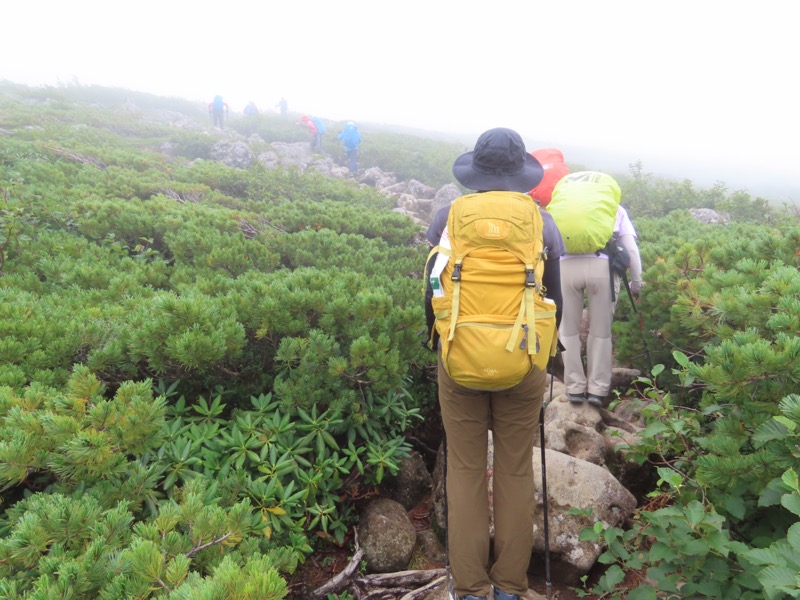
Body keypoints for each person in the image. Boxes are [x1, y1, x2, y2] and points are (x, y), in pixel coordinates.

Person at [425, 128, 565, 600]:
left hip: (458, 357)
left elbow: (433, 290)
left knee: (464, 470)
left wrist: (441, 344)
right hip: (523, 360)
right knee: (514, 470)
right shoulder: (543, 222)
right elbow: (557, 300)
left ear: (476, 173)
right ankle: (509, 585)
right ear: (520, 174)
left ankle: (468, 588)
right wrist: (545, 356)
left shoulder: (448, 216)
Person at [558, 196, 643, 407]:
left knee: (567, 330)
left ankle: (574, 387)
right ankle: (597, 390)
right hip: (602, 266)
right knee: (600, 331)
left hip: (565, 266)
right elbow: (631, 249)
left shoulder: (561, 207)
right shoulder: (615, 208)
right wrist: (636, 282)